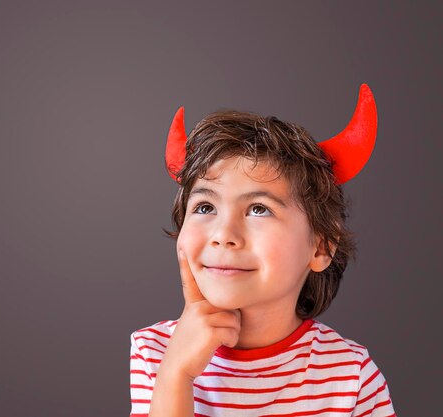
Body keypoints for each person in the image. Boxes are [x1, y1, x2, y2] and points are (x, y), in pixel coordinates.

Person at [129, 84, 396, 417]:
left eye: (259, 209)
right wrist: (176, 377)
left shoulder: (350, 375)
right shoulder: (155, 353)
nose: (224, 236)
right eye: (205, 207)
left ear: (321, 246)